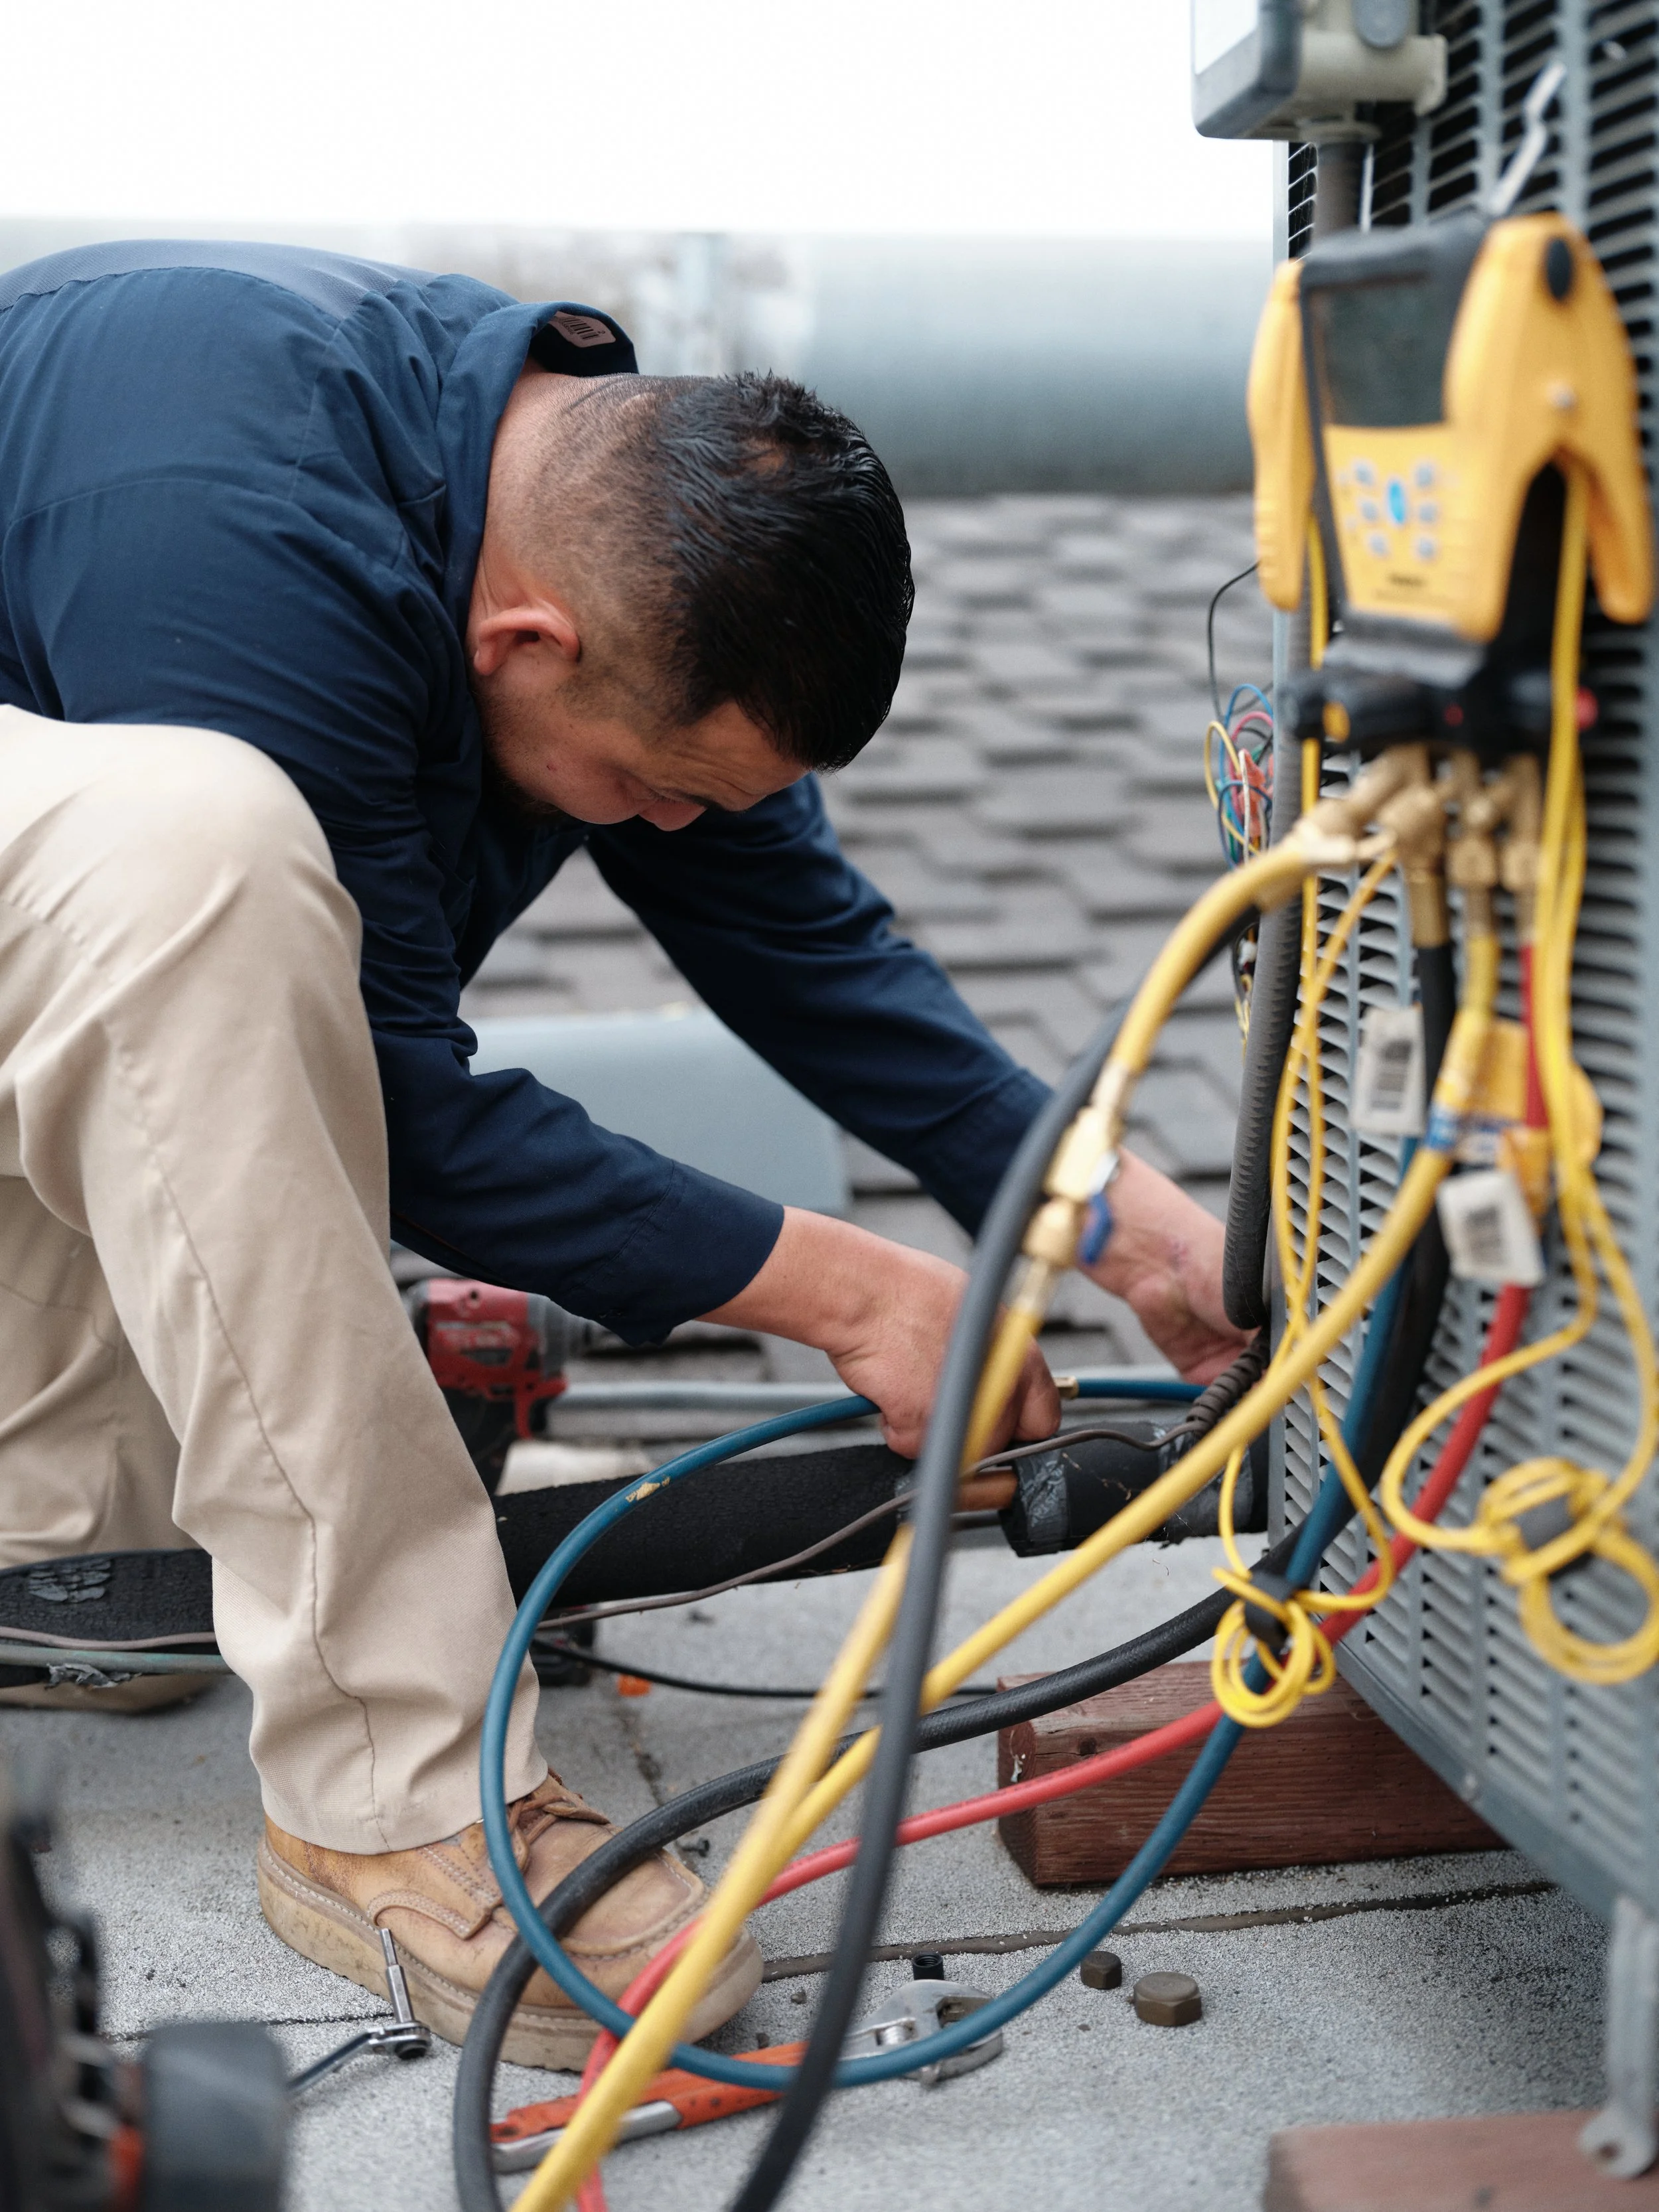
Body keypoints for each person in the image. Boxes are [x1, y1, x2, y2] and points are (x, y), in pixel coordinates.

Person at [0, 240, 1246, 2061]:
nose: (667, 828)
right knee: (200, 858)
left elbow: (805, 947)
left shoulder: (586, 508)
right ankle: (390, 1796)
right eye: (653, 787)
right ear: (529, 644)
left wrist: (1131, 1237)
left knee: (208, 979)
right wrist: (850, 1288)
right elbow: (403, 1102)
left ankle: (67, 1537)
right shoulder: (240, 536)